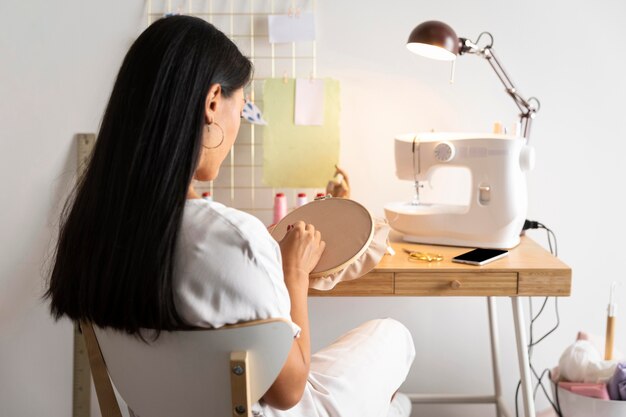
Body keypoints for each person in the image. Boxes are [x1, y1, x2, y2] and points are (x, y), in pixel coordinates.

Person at [45, 15, 415, 417]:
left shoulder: (92, 226)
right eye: (241, 107)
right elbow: (288, 390)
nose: (239, 121)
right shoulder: (235, 237)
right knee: (393, 338)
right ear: (212, 102)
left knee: (387, 393)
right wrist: (294, 274)